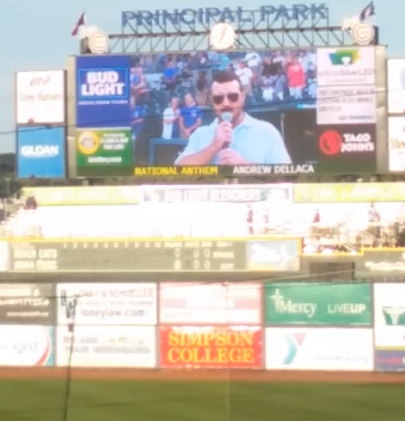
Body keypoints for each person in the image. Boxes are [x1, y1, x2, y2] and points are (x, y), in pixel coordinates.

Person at [175, 71, 292, 166]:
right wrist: (214, 146)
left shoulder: (266, 131)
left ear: (242, 97)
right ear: (211, 101)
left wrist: (244, 166)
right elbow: (178, 172)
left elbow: (287, 174)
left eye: (232, 96)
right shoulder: (200, 134)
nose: (226, 103)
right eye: (218, 99)